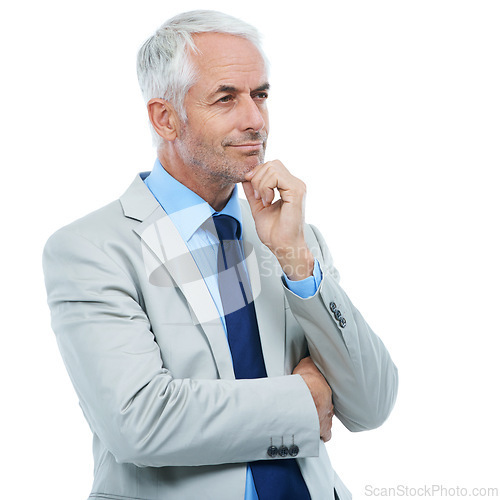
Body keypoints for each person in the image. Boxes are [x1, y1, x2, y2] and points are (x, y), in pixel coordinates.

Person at [43, 10, 398, 500]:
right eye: (226, 98)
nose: (255, 120)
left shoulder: (294, 237)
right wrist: (305, 398)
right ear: (165, 118)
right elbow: (142, 422)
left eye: (261, 95)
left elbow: (372, 403)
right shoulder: (92, 249)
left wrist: (298, 262)